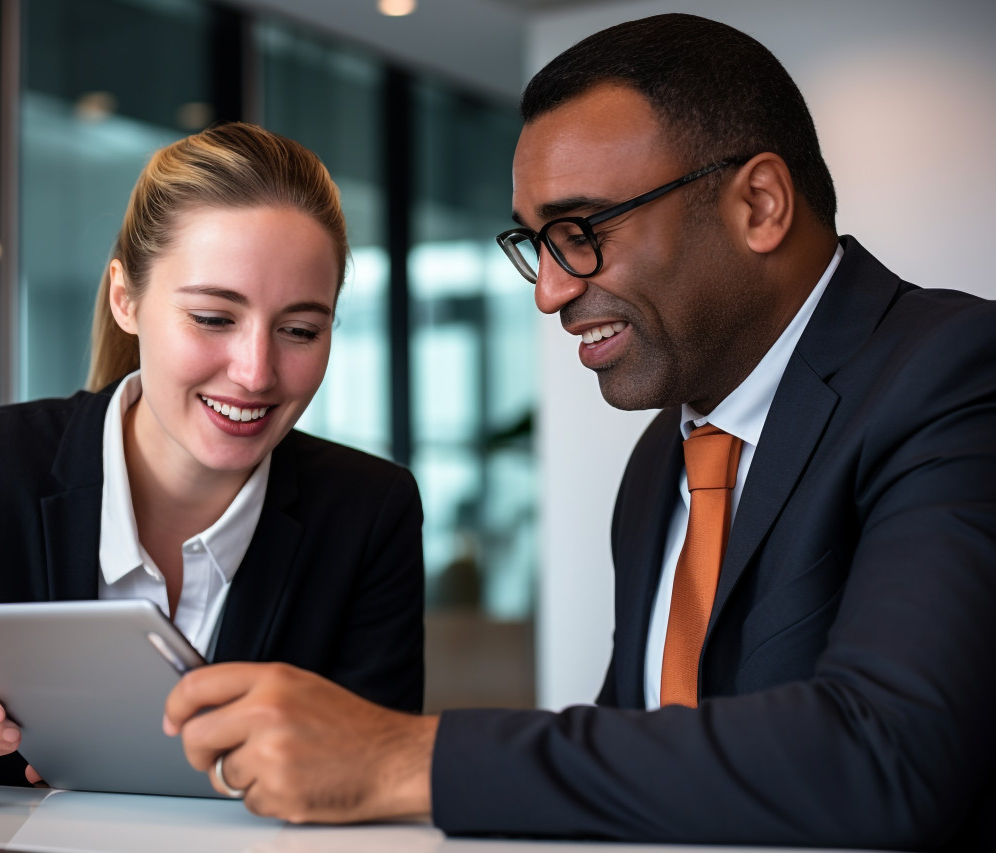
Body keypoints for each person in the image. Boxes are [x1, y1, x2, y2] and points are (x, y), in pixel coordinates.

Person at [161, 14, 996, 850]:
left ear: (760, 204)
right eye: (538, 244)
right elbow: (635, 762)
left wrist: (404, 756)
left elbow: (890, 751)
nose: (550, 293)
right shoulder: (658, 464)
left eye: (584, 233)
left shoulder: (956, 374)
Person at [0, 122, 425, 787]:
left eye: (301, 330)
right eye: (214, 318)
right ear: (125, 298)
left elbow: (379, 770)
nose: (256, 372)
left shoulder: (368, 511)